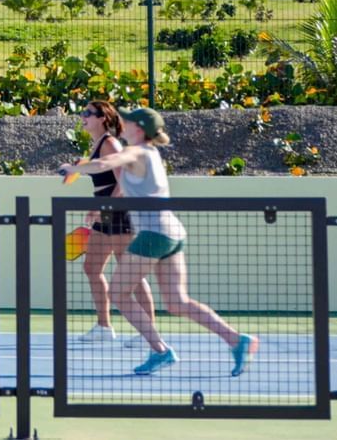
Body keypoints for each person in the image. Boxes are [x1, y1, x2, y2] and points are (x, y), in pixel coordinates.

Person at [57, 107, 258, 377]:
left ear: (139, 129)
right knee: (177, 302)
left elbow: (106, 164)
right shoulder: (151, 154)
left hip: (153, 234)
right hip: (173, 233)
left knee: (117, 292)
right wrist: (100, 209)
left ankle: (160, 351)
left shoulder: (137, 151)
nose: (123, 124)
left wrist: (73, 168)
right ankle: (236, 340)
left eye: (127, 122)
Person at [73, 100, 152, 345]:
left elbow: (123, 181)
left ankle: (147, 331)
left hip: (118, 213)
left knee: (132, 273)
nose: (83, 116)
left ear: (103, 118)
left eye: (88, 113)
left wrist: (104, 206)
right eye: (83, 112)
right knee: (91, 268)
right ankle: (104, 327)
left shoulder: (110, 143)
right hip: (106, 212)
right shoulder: (97, 143)